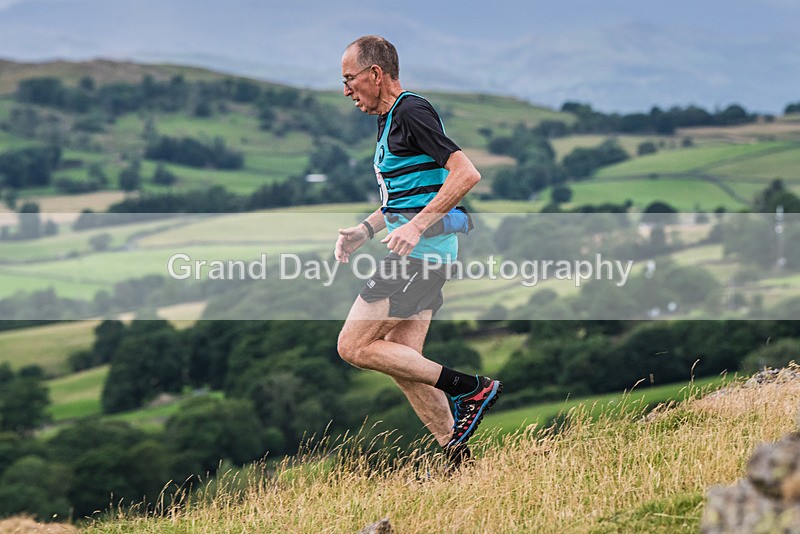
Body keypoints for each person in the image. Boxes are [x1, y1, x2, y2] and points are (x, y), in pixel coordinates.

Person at [335, 35, 502, 467]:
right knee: (404, 363)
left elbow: (465, 173)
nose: (347, 90)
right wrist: (367, 229)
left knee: (352, 346)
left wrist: (416, 226)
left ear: (375, 74)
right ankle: (456, 457)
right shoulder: (389, 117)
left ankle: (472, 387)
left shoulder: (410, 110)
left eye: (350, 79)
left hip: (419, 257)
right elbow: (407, 195)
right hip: (428, 257)